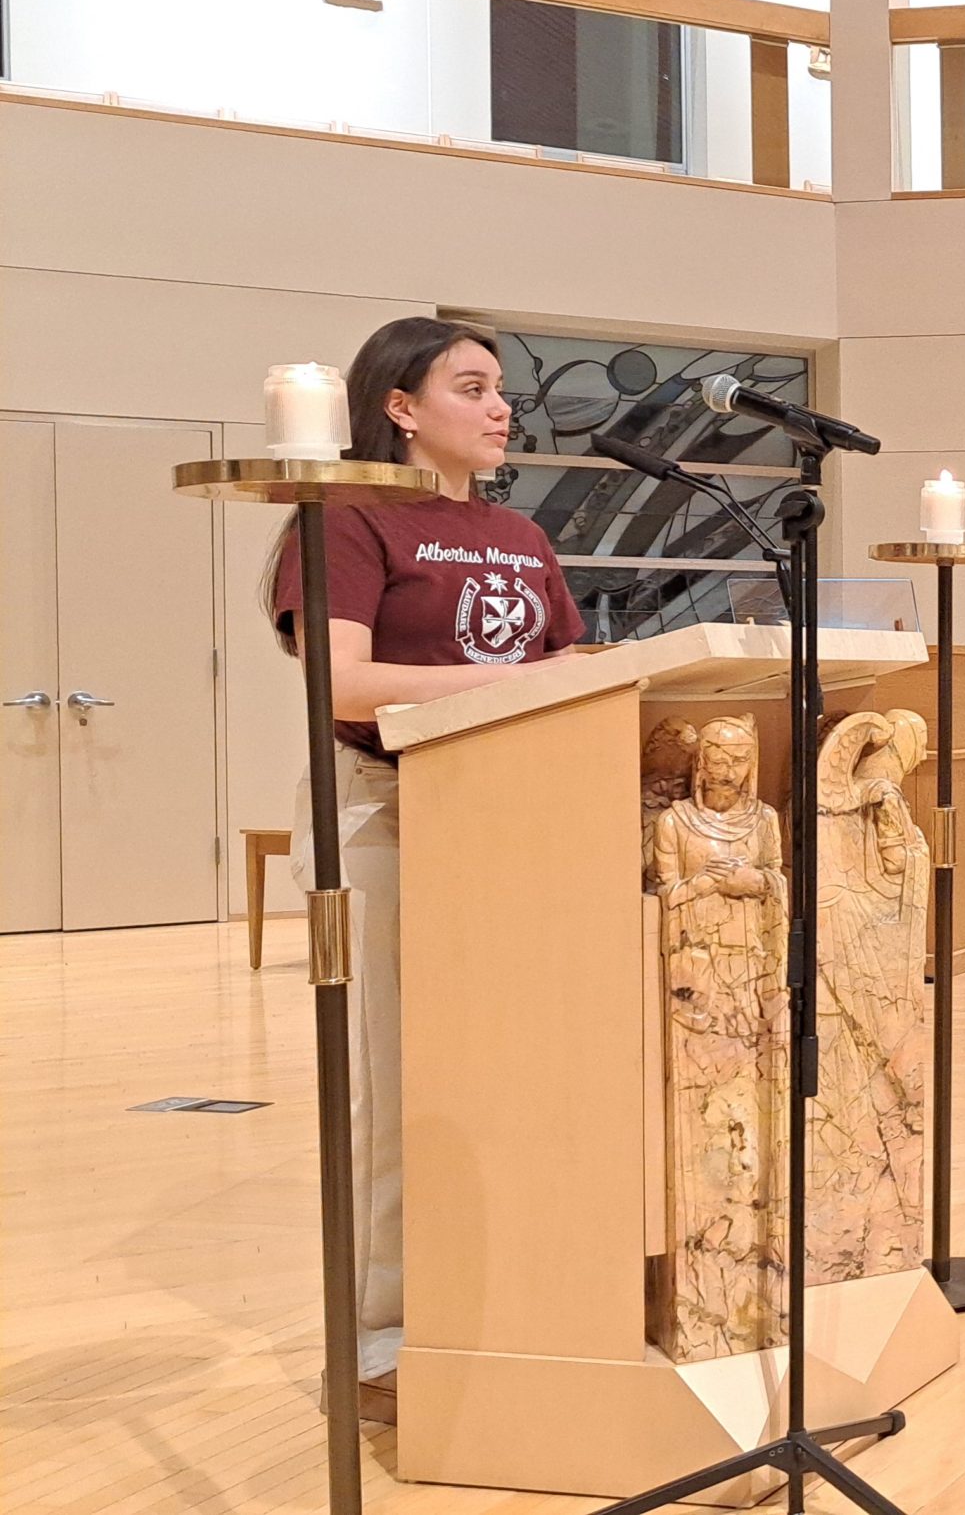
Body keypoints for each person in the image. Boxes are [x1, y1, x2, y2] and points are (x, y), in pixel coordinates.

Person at [268, 317, 582, 1419]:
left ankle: (496, 1302)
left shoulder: (517, 533)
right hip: (389, 814)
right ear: (400, 406)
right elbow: (343, 684)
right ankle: (375, 1343)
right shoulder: (348, 515)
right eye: (473, 387)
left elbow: (567, 665)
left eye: (503, 390)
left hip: (512, 825)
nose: (501, 408)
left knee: (491, 1086)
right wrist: (520, 690)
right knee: (390, 1090)